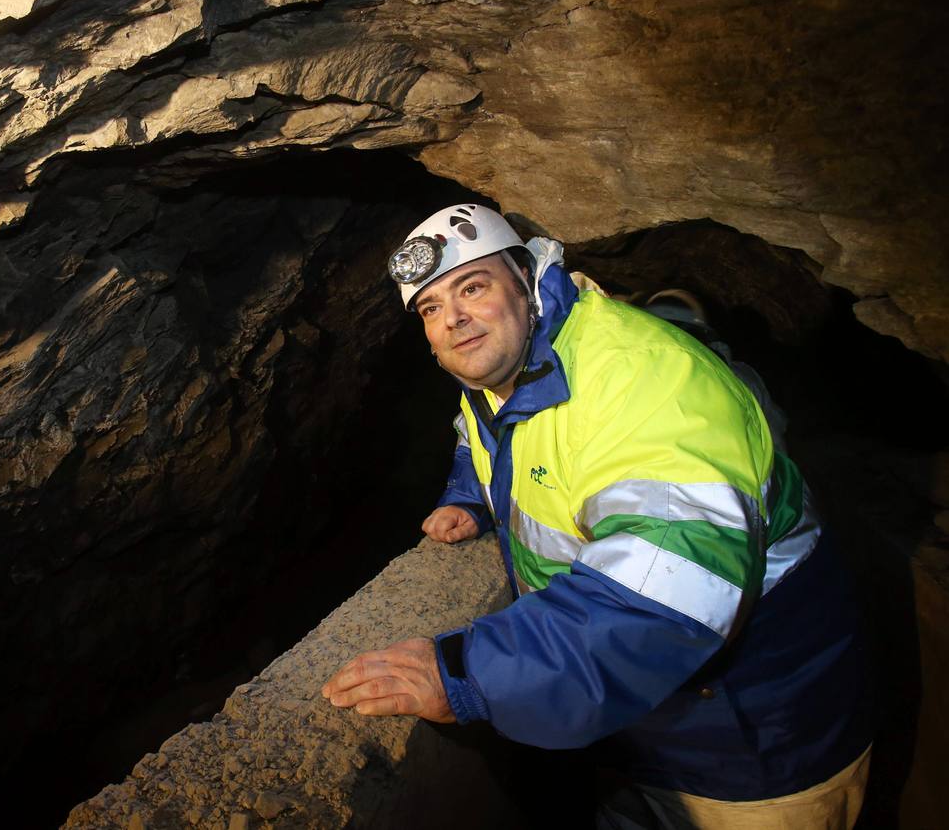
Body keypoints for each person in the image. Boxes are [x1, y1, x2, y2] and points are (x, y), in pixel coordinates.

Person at [321, 205, 874, 828]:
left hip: (754, 745)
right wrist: (470, 496)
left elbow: (665, 593)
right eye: (430, 308)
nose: (453, 318)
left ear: (528, 281)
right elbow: (487, 435)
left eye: (472, 287)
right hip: (638, 727)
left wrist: (466, 671)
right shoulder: (511, 371)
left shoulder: (648, 381)